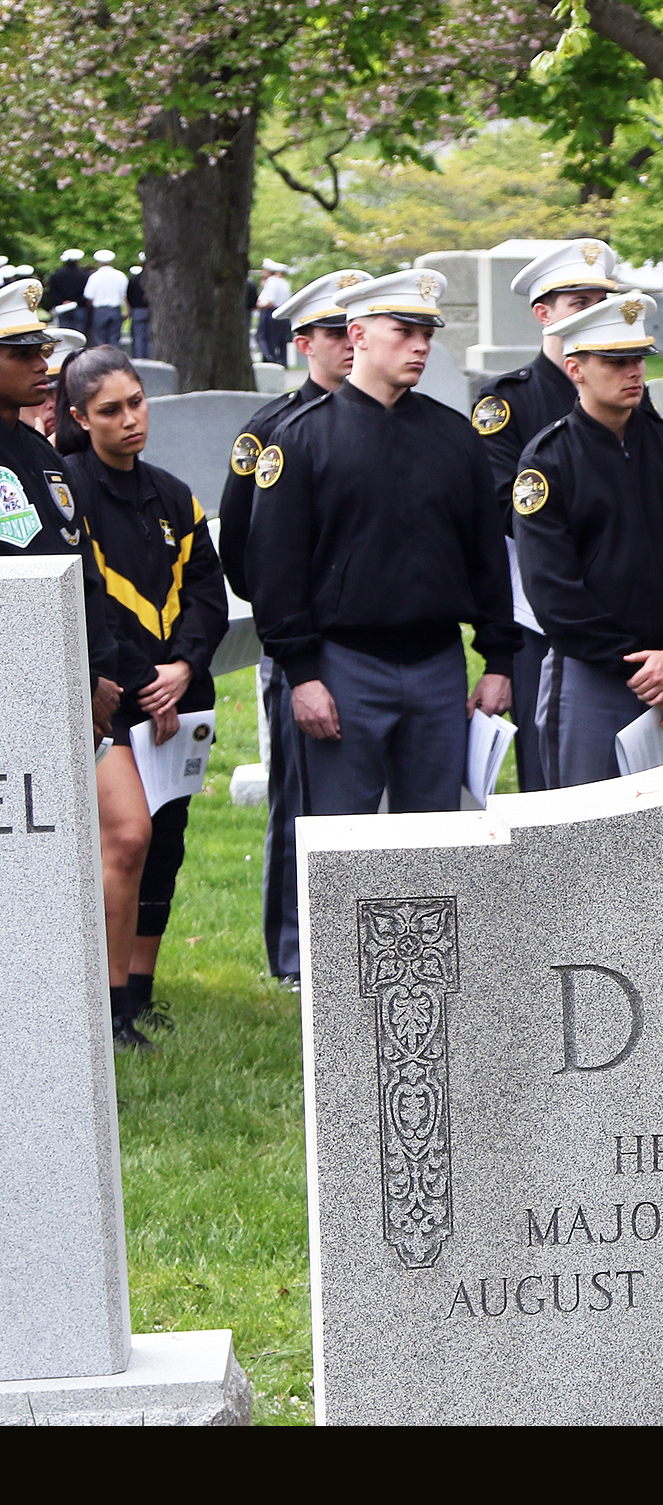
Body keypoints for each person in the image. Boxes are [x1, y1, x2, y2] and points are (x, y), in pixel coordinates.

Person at [249, 269, 518, 815]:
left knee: (434, 844)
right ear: (358, 334)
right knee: (340, 850)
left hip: (438, 666)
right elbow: (276, 569)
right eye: (403, 330)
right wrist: (302, 675)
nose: (420, 345)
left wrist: (498, 660)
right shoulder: (301, 437)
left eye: (427, 333)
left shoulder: (454, 436)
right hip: (343, 666)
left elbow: (486, 556)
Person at [0, 290, 153, 1048]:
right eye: (21, 353)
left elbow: (79, 574)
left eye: (42, 349)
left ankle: (109, 1013)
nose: (42, 364)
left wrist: (97, 675)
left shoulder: (40, 457)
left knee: (128, 831)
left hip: (78, 690)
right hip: (13, 694)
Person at [61, 346, 225, 1044]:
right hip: (114, 697)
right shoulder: (72, 490)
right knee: (126, 841)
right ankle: (112, 999)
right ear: (78, 417)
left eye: (136, 402)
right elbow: (91, 601)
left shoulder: (172, 493)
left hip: (177, 695)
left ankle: (143, 988)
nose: (130, 419)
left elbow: (206, 596)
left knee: (167, 842)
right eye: (110, 410)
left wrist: (183, 669)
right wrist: (140, 684)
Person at [513, 292, 663, 787]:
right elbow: (552, 590)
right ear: (576, 368)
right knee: (582, 837)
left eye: (638, 359)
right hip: (593, 674)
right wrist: (636, 667)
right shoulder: (546, 460)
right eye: (615, 360)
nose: (633, 371)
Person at [219, 270, 363, 984]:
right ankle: (296, 952)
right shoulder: (272, 429)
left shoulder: (394, 423)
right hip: (303, 642)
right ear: (302, 341)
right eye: (334, 333)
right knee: (300, 796)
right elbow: (242, 548)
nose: (347, 344)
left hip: (376, 641)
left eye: (355, 330)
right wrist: (289, 625)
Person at [471, 239, 624, 792]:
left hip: (628, 609)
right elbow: (504, 506)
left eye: (601, 301)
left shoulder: (631, 394)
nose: (593, 313)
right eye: (578, 302)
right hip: (541, 614)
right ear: (544, 314)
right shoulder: (506, 403)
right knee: (552, 778)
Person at [82, 251, 126, 350]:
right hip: (115, 309)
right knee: (114, 337)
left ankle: (102, 360)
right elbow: (124, 294)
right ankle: (114, 358)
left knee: (100, 339)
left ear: (98, 262)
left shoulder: (94, 277)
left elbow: (88, 295)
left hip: (100, 310)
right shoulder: (120, 275)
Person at [253, 261, 293, 365]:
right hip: (284, 312)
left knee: (264, 337)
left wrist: (258, 305)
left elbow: (270, 301)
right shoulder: (284, 282)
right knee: (281, 339)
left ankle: (270, 358)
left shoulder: (271, 282)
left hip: (270, 312)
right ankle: (283, 361)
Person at [46, 249, 90, 340]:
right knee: (79, 334)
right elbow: (87, 293)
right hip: (79, 307)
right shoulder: (85, 275)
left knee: (65, 333)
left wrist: (62, 301)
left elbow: (52, 292)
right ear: (78, 262)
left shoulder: (56, 274)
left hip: (63, 307)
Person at [126, 254, 149, 359]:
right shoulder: (157, 279)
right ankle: (150, 357)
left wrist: (130, 308)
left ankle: (139, 358)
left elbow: (129, 295)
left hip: (138, 310)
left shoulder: (134, 279)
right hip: (152, 311)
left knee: (138, 337)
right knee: (149, 338)